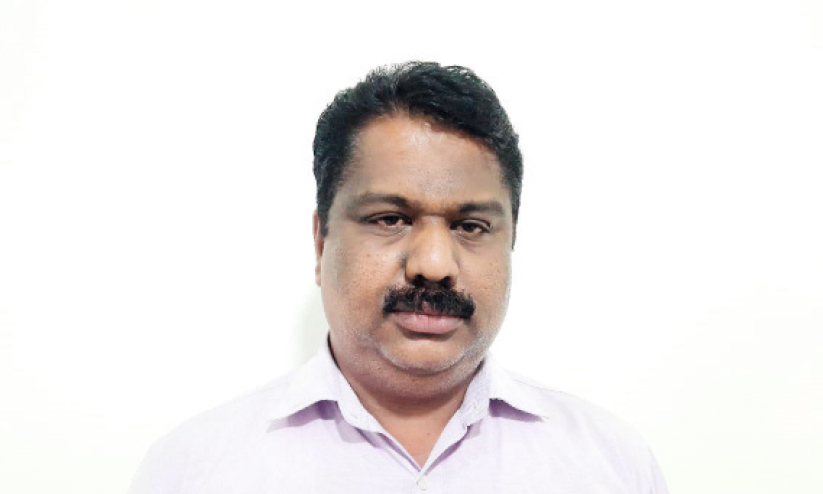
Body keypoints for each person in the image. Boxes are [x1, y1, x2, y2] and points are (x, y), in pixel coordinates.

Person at [129, 62, 669, 493]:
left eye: (471, 226)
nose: (433, 264)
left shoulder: (610, 465)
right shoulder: (194, 471)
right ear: (320, 242)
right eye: (390, 219)